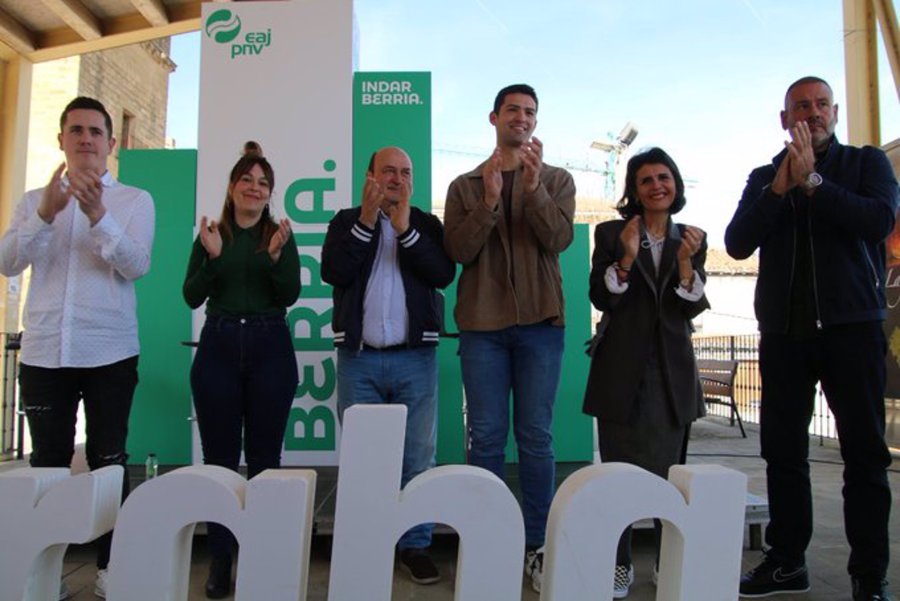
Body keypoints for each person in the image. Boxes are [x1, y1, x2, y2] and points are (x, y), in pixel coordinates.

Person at [725, 76, 896, 601]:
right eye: (801, 106)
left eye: (822, 104)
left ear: (835, 112)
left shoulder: (866, 164)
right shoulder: (764, 177)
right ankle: (787, 562)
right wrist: (781, 188)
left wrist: (814, 183)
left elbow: (878, 220)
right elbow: (737, 242)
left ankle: (869, 576)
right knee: (783, 453)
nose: (813, 112)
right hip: (784, 334)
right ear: (785, 119)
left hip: (853, 329)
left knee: (864, 456)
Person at [0, 96, 155, 599]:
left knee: (109, 460)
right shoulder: (34, 200)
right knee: (47, 463)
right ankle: (43, 573)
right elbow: (7, 262)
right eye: (76, 130)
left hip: (110, 352)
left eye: (95, 131)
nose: (86, 138)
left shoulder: (135, 201)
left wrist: (97, 216)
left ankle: (113, 566)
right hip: (45, 351)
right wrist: (46, 214)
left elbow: (136, 265)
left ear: (111, 143)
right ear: (62, 140)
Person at [443, 83, 575, 593]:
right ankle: (487, 539)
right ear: (494, 117)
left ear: (536, 122)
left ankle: (538, 544)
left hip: (541, 325)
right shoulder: (464, 185)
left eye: (530, 112)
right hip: (482, 328)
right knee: (486, 436)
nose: (522, 118)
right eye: (513, 110)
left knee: (536, 436)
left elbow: (558, 239)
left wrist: (535, 189)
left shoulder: (558, 179)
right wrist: (490, 200)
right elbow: (459, 251)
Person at [320, 146, 455, 585]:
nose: (397, 179)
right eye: (388, 171)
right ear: (370, 176)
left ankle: (414, 546)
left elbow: (442, 274)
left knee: (417, 457)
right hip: (359, 360)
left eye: (405, 172)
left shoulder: (426, 224)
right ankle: (369, 543)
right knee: (364, 459)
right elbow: (334, 271)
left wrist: (404, 230)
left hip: (416, 359)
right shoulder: (345, 221)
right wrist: (367, 220)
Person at [582, 147, 708, 598]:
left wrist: (687, 262)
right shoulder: (612, 233)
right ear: (634, 191)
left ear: (676, 184)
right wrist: (627, 257)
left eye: (664, 177)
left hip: (672, 372)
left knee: (670, 474)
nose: (657, 186)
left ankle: (664, 560)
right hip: (621, 370)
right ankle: (619, 564)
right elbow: (602, 296)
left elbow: (690, 306)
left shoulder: (691, 237)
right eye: (646, 180)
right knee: (619, 474)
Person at [183, 141, 300, 599]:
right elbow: (191, 296)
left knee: (266, 461)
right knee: (220, 461)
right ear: (232, 186)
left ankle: (262, 555)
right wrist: (213, 259)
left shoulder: (279, 236)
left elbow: (289, 294)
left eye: (263, 182)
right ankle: (221, 557)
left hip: (271, 345)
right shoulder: (212, 234)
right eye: (247, 180)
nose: (255, 188)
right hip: (219, 344)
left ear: (270, 193)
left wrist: (275, 259)